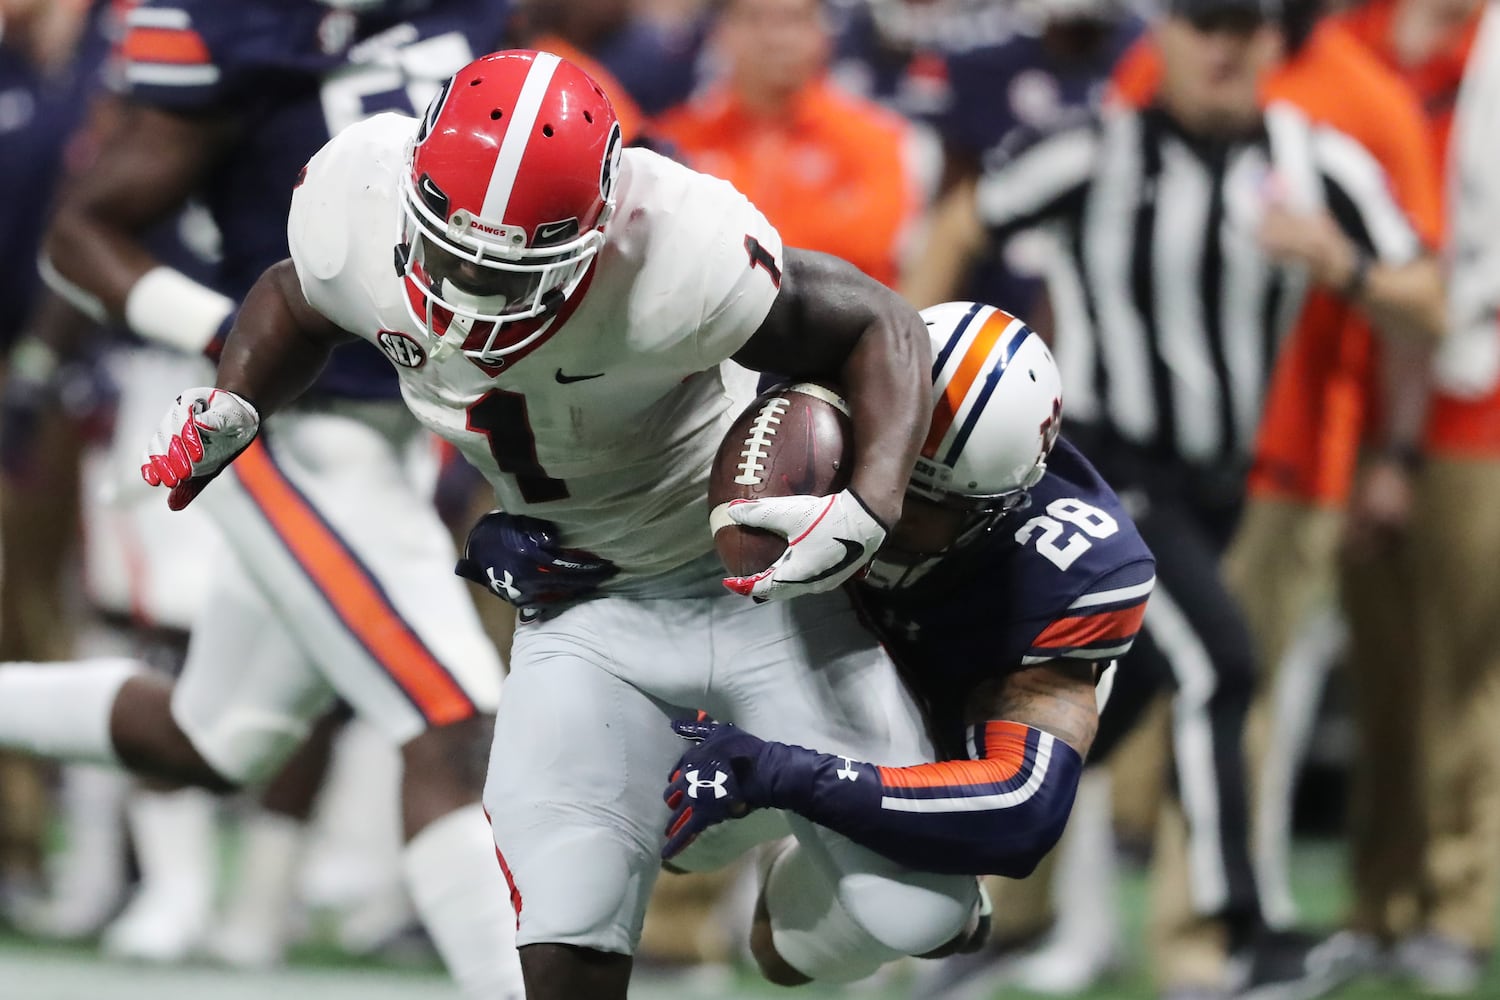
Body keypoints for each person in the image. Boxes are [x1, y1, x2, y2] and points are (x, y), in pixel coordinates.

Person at [135, 47, 984, 1000]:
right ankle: (703, 811)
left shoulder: (679, 247)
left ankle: (759, 844)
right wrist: (238, 399)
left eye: (505, 273)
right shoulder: (358, 196)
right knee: (568, 909)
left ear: (598, 228)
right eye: (450, 253)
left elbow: (883, 325)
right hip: (584, 606)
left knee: (919, 914)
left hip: (754, 591)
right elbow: (298, 298)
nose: (468, 298)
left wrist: (869, 505)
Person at [0, 1, 524, 996]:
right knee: (456, 720)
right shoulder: (234, 20)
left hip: (403, 427)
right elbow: (84, 230)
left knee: (215, 737)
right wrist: (234, 345)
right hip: (289, 428)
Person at [661, 298, 1151, 881]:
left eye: (921, 502)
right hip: (788, 621)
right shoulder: (808, 390)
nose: (885, 504)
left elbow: (1021, 814)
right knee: (658, 823)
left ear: (993, 512)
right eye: (875, 462)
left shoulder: (1071, 571)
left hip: (924, 710)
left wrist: (790, 774)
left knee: (911, 912)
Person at [655, 0, 930, 288]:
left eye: (795, 19)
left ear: (824, 34)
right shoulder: (675, 141)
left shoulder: (878, 140)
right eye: (755, 18)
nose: (776, 38)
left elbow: (868, 249)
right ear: (721, 32)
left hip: (835, 323)